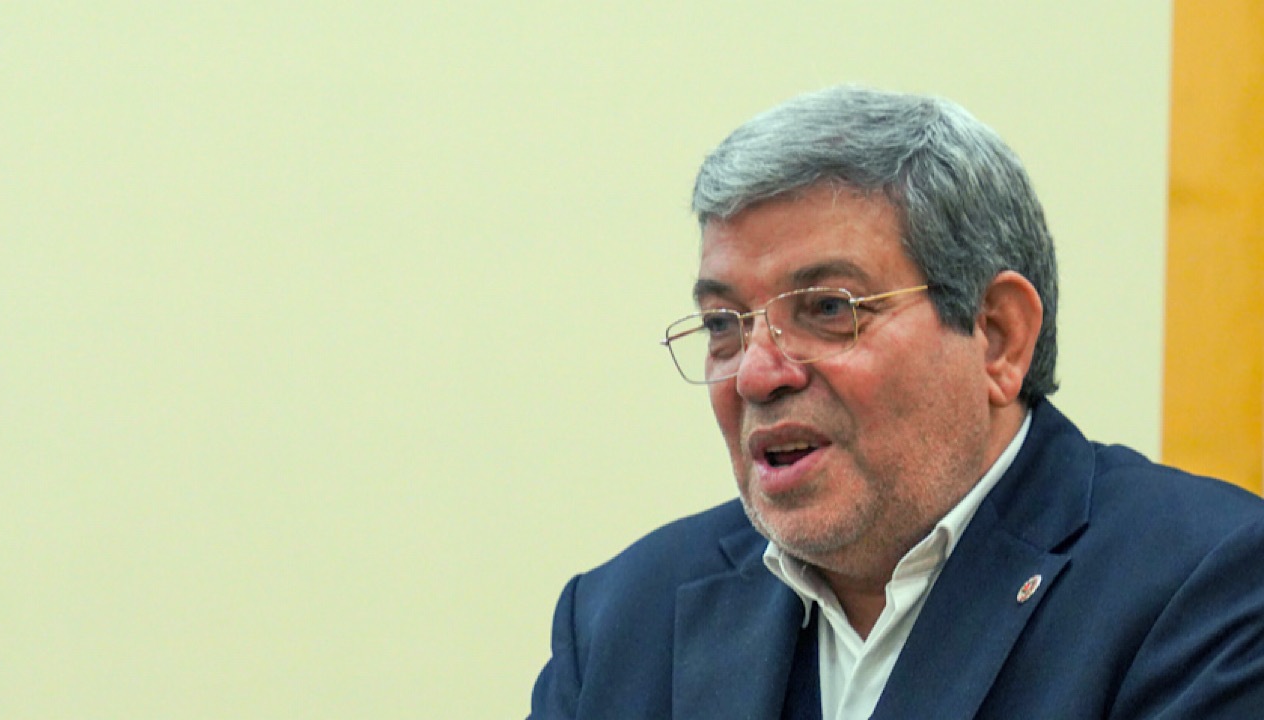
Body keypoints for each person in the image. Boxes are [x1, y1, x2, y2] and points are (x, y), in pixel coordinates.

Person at [528, 86, 1264, 719]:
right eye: (724, 324)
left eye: (828, 309)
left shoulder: (1209, 586)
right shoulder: (623, 618)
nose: (756, 374)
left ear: (999, 336)